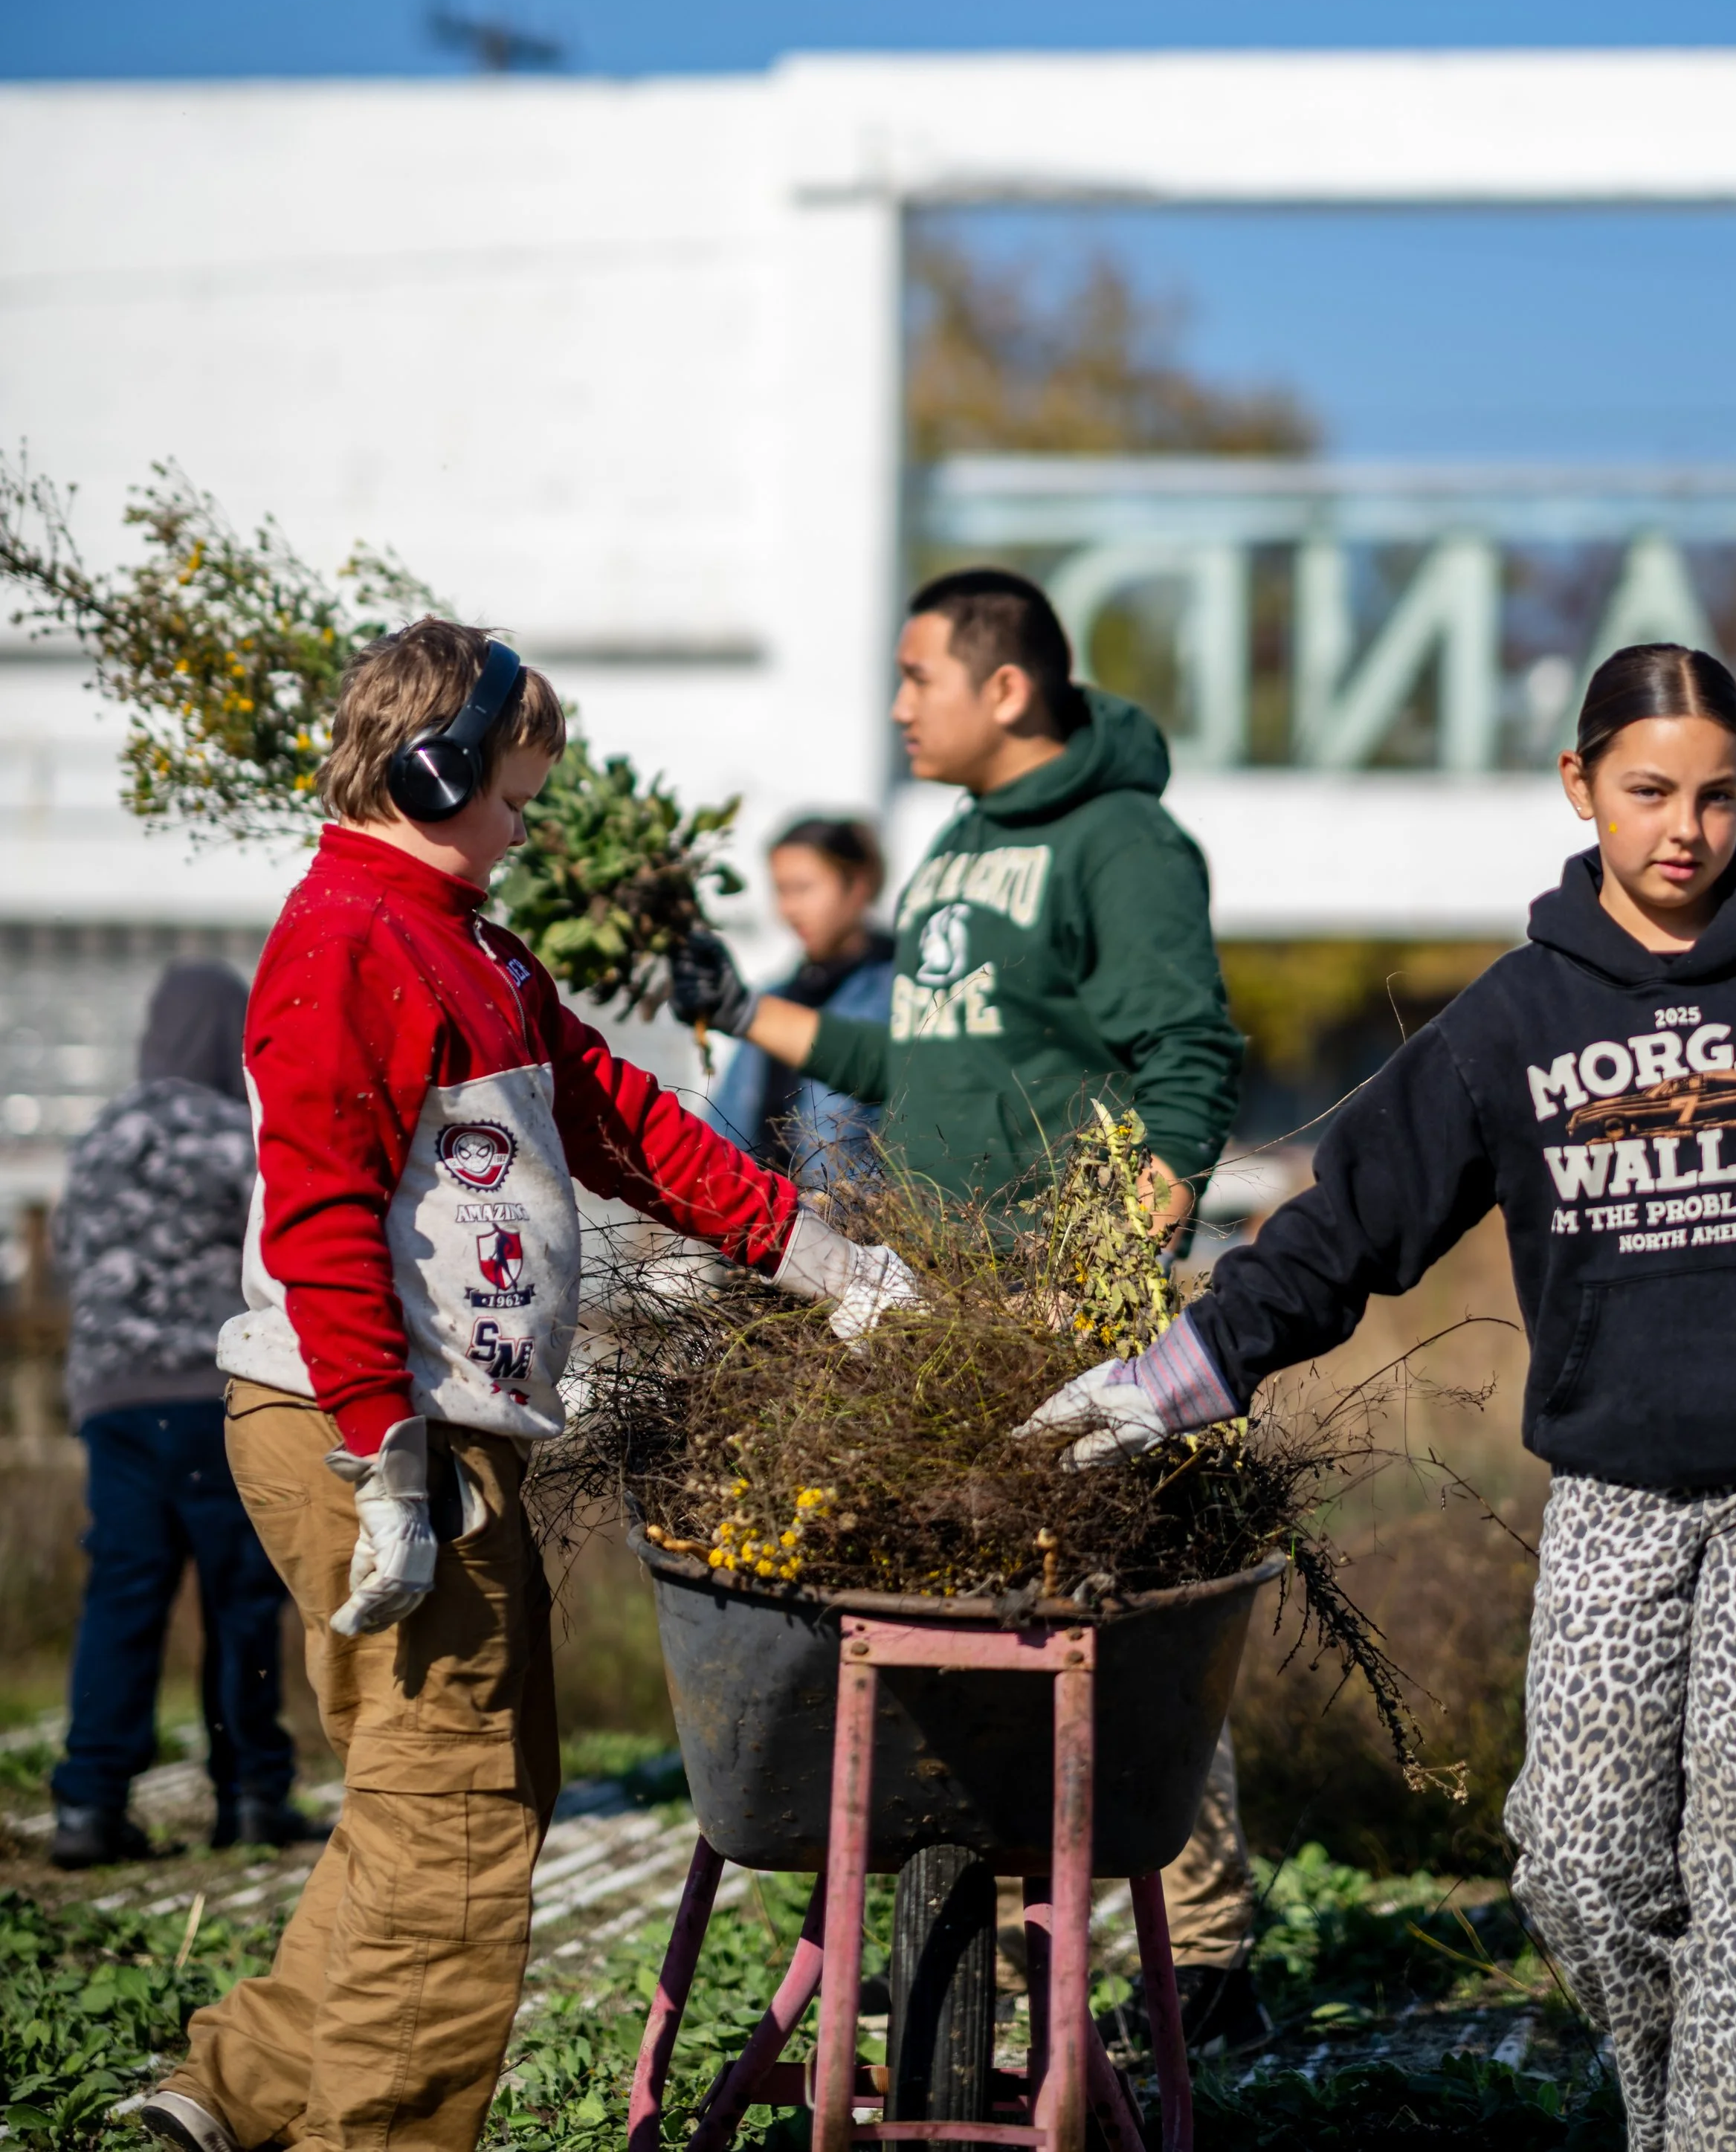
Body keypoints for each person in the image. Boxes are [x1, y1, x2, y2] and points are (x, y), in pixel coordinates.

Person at [1027, 642, 1736, 2152]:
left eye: (1717, 795)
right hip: (1612, 1493)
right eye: (1649, 792)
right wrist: (1181, 1375)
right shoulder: (1512, 1020)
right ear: (1579, 785)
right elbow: (1349, 1228)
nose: (1684, 829)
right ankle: (1704, 2111)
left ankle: (1730, 2132)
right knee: (1579, 1865)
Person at [143, 618, 911, 2152]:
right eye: (509, 795)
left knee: (445, 1788)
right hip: (371, 1432)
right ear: (432, 773)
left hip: (430, 1438)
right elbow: (317, 1213)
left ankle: (233, 2088)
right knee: (457, 1825)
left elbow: (622, 1116)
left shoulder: (470, 946)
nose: (522, 827)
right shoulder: (348, 938)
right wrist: (382, 1454)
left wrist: (821, 1257)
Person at [673, 567, 1266, 2052]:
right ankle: (978, 1949)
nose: (895, 706)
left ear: (1004, 687)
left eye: (916, 675)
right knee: (959, 1620)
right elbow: (910, 1065)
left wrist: (1108, 1277)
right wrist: (742, 1009)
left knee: (1116, 1616)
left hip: (1063, 1297)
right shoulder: (954, 848)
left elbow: (1188, 1061)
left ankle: (1206, 1947)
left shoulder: (1121, 844)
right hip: (933, 1295)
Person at [49, 959, 308, 1869]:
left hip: (114, 1402)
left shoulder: (101, 1137)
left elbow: (65, 1254)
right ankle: (251, 1795)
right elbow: (281, 1255)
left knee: (122, 1596)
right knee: (242, 1600)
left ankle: (89, 1804)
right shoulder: (237, 1135)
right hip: (214, 1397)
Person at [709, 815, 893, 1184]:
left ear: (858, 886)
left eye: (803, 888)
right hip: (763, 1215)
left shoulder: (901, 992)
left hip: (857, 1219)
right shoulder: (774, 999)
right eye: (781, 891)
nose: (788, 909)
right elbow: (723, 1130)